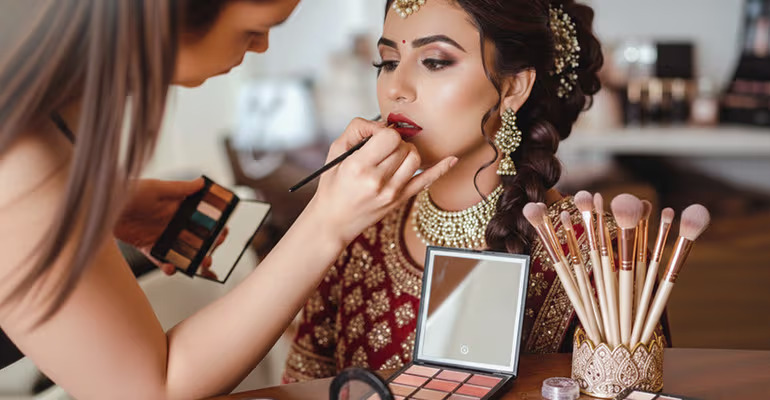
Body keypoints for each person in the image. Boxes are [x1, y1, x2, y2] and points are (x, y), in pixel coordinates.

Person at [0, 1, 456, 399]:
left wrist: (101, 206)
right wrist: (326, 222)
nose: (261, 48)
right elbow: (151, 387)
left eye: (435, 61)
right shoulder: (23, 153)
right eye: (256, 29)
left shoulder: (42, 114)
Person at [282, 0, 668, 383]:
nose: (395, 88)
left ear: (513, 86)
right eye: (387, 62)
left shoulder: (602, 255)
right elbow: (301, 388)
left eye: (434, 61)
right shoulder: (358, 226)